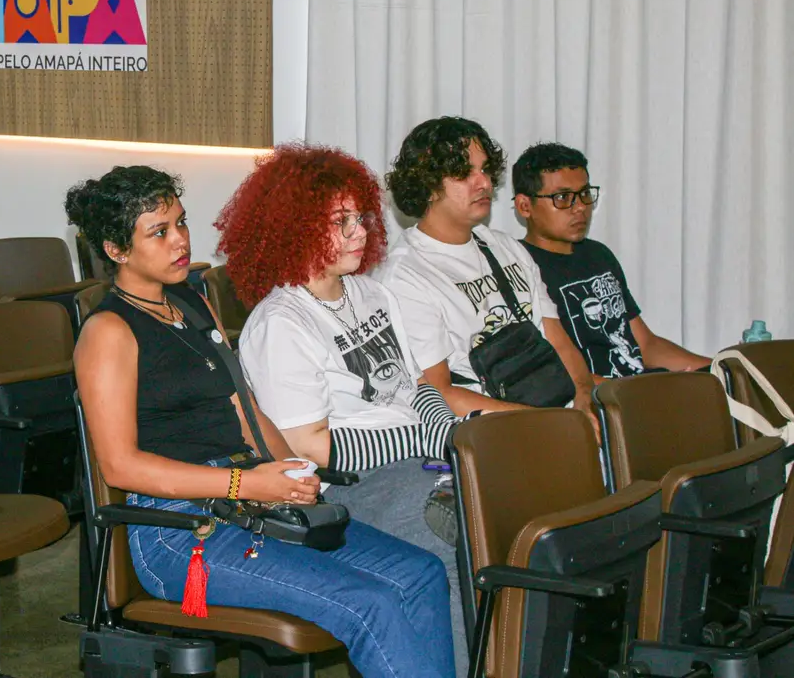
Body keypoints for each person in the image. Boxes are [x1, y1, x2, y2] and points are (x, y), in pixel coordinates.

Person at [70, 165, 454, 678]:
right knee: (372, 603)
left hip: (246, 497)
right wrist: (245, 483)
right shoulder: (108, 331)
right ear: (117, 250)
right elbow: (120, 466)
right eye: (159, 232)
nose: (180, 240)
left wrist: (292, 472)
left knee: (421, 572)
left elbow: (244, 408)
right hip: (179, 530)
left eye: (181, 222)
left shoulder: (190, 301)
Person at [218, 144, 467, 677]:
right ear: (294, 228)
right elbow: (310, 448)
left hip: (416, 461)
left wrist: (450, 434)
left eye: (361, 217)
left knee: (508, 514)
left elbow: (416, 386)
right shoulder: (280, 323)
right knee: (458, 537)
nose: (359, 232)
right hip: (348, 484)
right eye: (339, 222)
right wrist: (426, 441)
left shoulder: (372, 293)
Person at [378, 117, 596, 422]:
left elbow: (557, 340)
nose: (484, 183)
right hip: (493, 432)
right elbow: (439, 393)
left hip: (557, 415)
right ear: (427, 185)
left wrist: (584, 399)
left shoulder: (506, 247)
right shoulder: (405, 276)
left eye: (484, 170)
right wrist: (546, 423)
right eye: (464, 173)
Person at [513, 142, 707, 376]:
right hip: (597, 394)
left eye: (584, 194)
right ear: (525, 206)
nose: (580, 207)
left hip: (639, 385)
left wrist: (721, 369)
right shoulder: (518, 267)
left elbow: (645, 345)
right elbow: (554, 376)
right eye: (562, 197)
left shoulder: (598, 255)